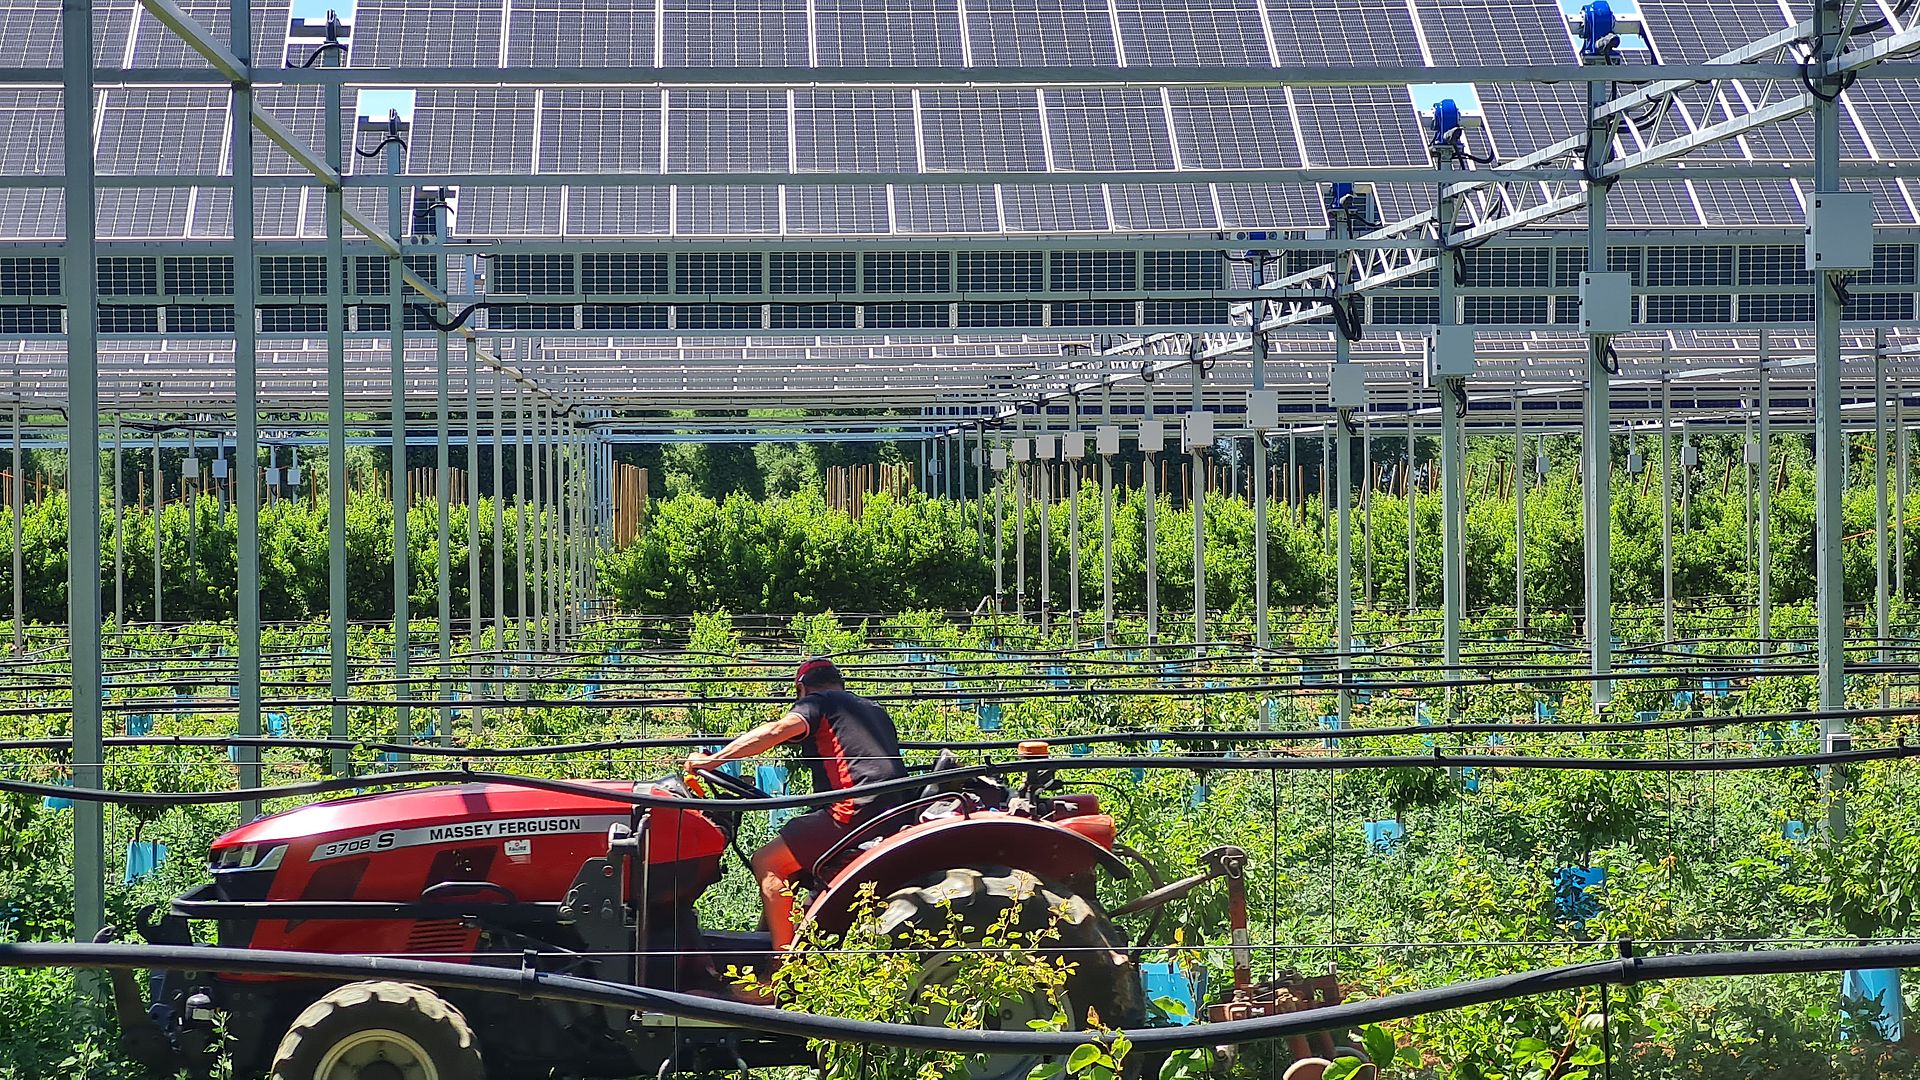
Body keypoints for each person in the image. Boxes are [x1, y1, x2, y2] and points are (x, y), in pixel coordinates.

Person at [686, 657, 906, 952]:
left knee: (768, 862)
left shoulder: (820, 702)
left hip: (852, 813)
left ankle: (780, 973)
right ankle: (770, 946)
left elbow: (777, 731)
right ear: (840, 683)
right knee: (791, 857)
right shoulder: (873, 709)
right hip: (891, 811)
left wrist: (714, 760)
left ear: (801, 689)